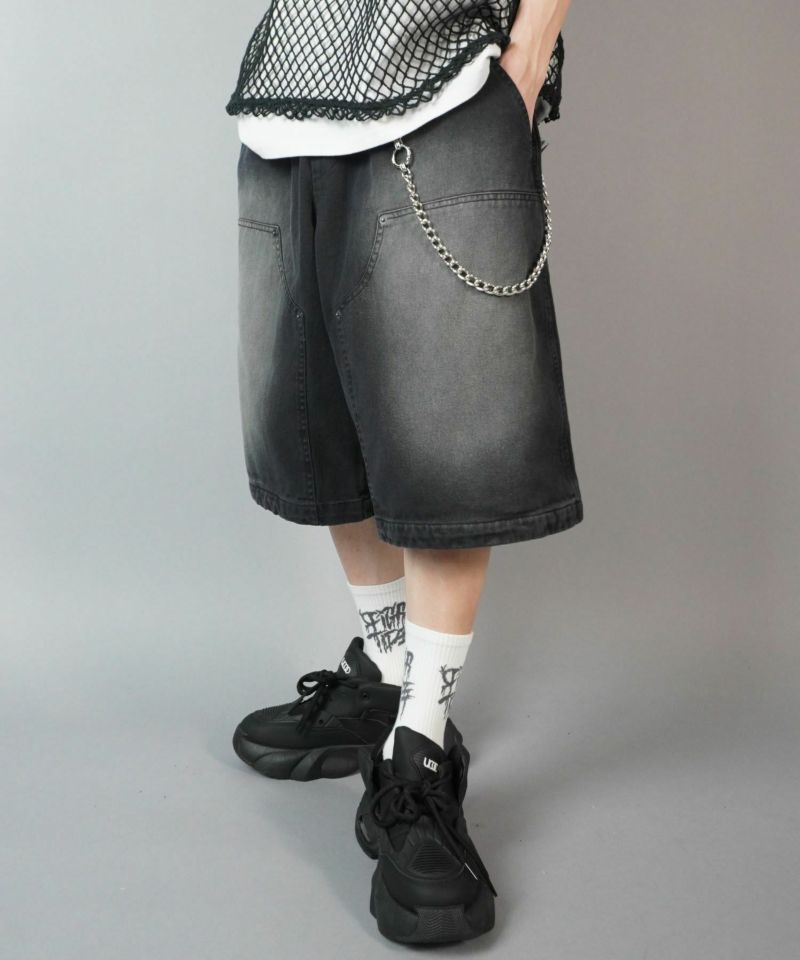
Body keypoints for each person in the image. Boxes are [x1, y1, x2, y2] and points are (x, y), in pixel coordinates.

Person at [225, 0, 581, 945]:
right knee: (323, 432)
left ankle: (421, 751)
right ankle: (386, 674)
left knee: (448, 443)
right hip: (284, 106)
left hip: (444, 84)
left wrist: (529, 55)